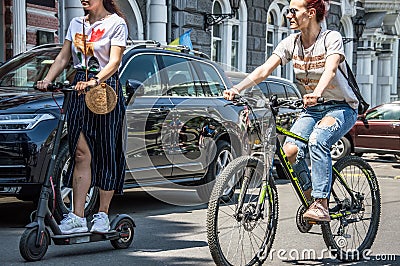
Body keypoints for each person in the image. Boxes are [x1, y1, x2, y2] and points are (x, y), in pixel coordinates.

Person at [224, 0, 358, 222]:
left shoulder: (330, 38)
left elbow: (331, 69)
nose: (288, 15)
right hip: (313, 108)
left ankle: (321, 203)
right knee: (289, 152)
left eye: (293, 10)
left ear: (311, 13)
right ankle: (310, 201)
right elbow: (265, 69)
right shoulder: (291, 43)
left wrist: (317, 92)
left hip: (341, 107)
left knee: (318, 140)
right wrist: (238, 88)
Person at [37, 0, 128, 234]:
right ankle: (77, 217)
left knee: (106, 152)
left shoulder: (116, 23)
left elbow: (115, 61)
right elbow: (63, 57)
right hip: (79, 89)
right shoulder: (76, 23)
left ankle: (102, 215)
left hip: (105, 91)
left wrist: (96, 81)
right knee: (80, 154)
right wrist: (47, 79)